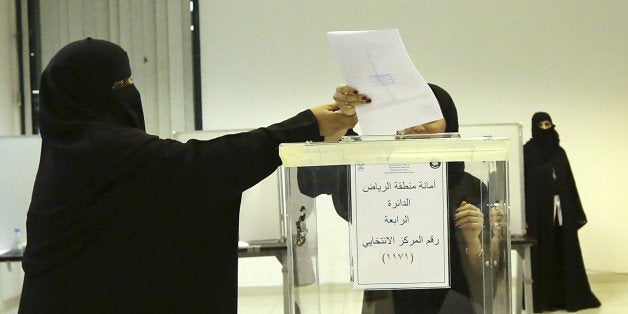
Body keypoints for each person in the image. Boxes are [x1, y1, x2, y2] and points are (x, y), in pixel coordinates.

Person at [18, 38, 370, 314]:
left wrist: (314, 130)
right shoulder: (103, 148)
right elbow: (202, 165)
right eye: (122, 83)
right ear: (90, 94)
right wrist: (304, 125)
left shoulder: (68, 145)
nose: (131, 90)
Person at [298, 84, 493, 313]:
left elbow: (485, 267)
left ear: (449, 122)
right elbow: (314, 181)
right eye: (407, 116)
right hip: (388, 297)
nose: (418, 127)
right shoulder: (374, 179)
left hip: (453, 299)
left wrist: (473, 240)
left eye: (429, 117)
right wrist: (342, 122)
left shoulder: (469, 186)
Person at [523, 112, 601, 312]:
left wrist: (573, 210)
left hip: (562, 211)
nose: (544, 128)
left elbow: (569, 182)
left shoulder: (559, 152)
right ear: (533, 127)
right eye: (540, 124)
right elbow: (525, 184)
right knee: (542, 251)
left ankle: (568, 297)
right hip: (539, 213)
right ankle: (544, 300)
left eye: (547, 123)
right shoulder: (527, 152)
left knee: (564, 249)